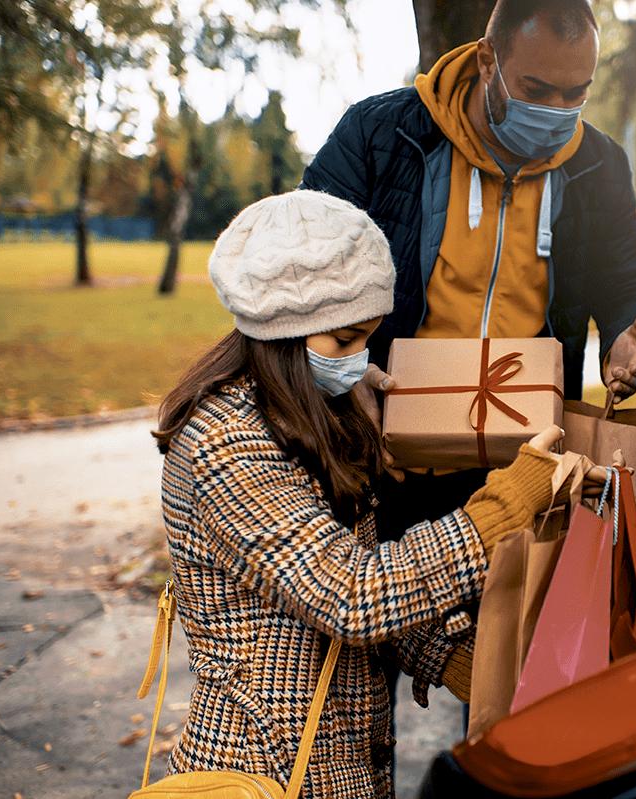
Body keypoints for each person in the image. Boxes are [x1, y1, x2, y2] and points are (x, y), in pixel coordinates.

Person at [151, 190, 601, 798]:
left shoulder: (310, 412)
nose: (359, 360)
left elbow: (334, 581)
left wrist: (452, 656)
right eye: (343, 342)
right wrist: (507, 506)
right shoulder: (225, 442)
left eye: (367, 338)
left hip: (339, 759)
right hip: (267, 769)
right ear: (284, 331)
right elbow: (348, 595)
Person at [299, 0, 636, 411]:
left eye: (575, 93)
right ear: (487, 61)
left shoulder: (601, 165)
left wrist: (628, 338)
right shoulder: (378, 134)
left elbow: (629, 281)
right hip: (385, 442)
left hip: (527, 451)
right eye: (536, 90)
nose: (556, 110)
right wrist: (345, 371)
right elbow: (301, 268)